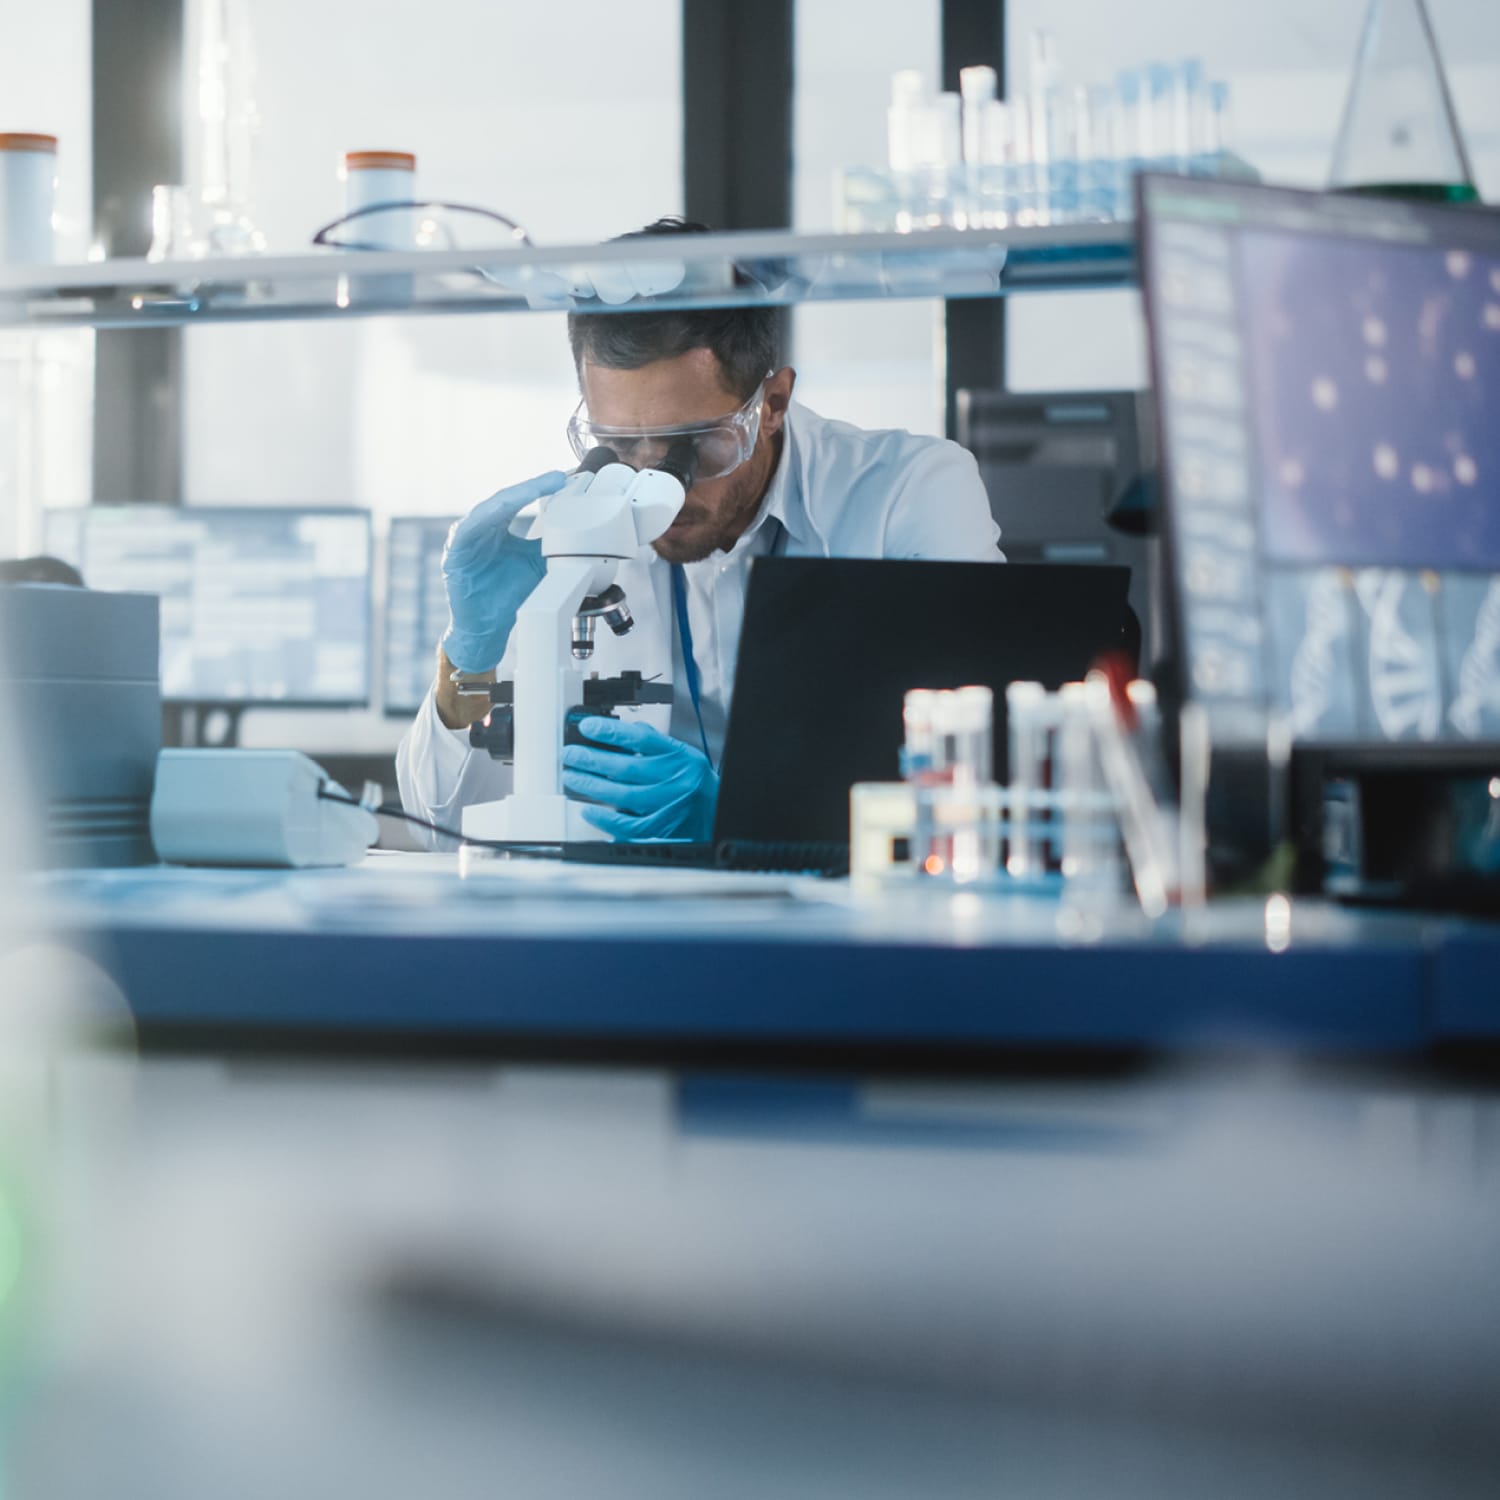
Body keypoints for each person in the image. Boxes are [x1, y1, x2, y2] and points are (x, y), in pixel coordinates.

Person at [396, 219, 1003, 844]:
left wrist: (743, 814)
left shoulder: (907, 495)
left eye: (693, 446)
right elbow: (441, 828)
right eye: (621, 445)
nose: (660, 484)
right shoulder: (580, 529)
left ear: (772, 405)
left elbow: (981, 792)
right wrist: (471, 656)